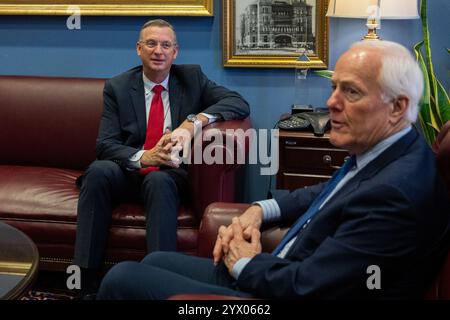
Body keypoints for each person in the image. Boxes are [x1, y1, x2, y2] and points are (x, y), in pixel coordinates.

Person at [96, 40, 450, 300]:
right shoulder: (392, 150)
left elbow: (306, 288)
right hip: (276, 270)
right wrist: (257, 210)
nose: (331, 102)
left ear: (397, 106)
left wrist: (244, 264)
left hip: (273, 294)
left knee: (122, 278)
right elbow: (322, 194)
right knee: (156, 257)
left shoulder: (394, 194)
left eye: (351, 92)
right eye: (334, 87)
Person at [73, 19, 249, 295]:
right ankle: (84, 282)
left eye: (166, 45)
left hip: (169, 174)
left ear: (175, 52)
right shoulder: (118, 87)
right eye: (151, 44)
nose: (159, 51)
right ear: (139, 49)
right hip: (130, 169)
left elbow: (238, 102)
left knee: (160, 182)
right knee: (97, 171)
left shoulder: (191, 79)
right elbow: (105, 145)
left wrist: (193, 123)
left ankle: (159, 282)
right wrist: (146, 157)